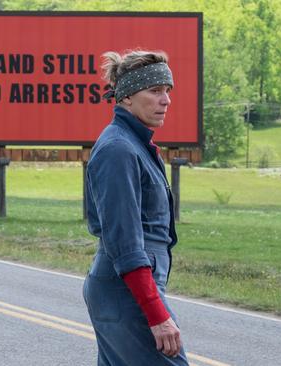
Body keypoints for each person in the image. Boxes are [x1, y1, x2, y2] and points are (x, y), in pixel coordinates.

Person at [82, 50, 188, 366]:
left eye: (167, 91)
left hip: (126, 290)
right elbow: (125, 244)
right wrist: (156, 314)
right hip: (126, 292)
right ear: (126, 97)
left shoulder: (133, 144)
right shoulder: (118, 150)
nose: (165, 100)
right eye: (155, 91)